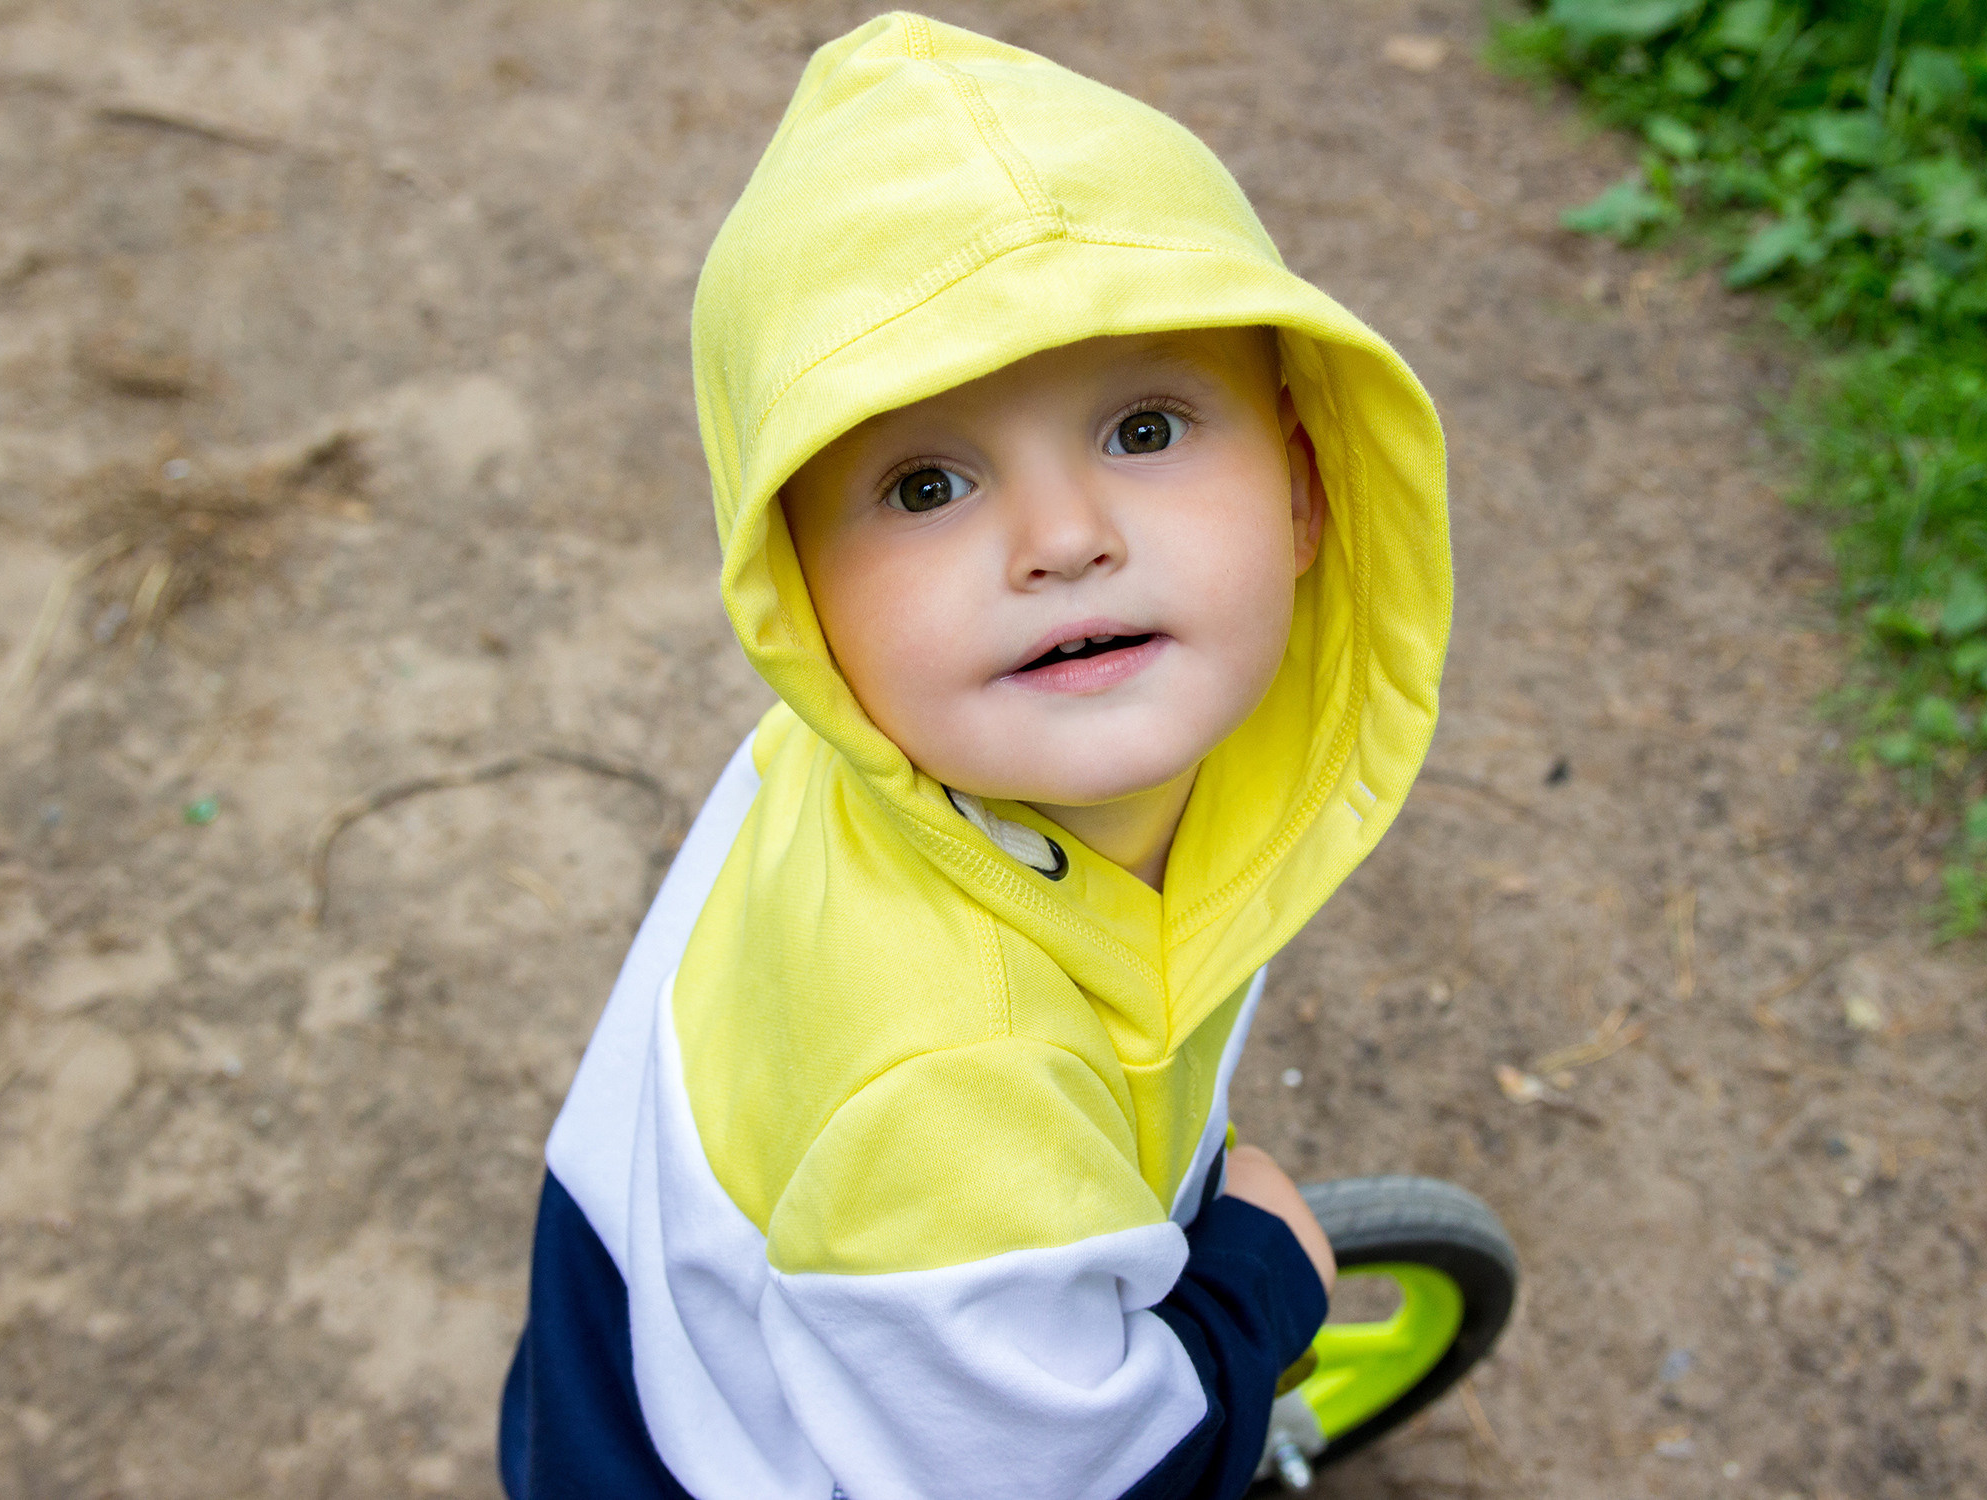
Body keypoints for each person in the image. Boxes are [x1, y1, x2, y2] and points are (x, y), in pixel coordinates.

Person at [497, 12, 1451, 1499]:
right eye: (925, 485)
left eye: (1145, 427)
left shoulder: (856, 752)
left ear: (1304, 486)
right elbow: (1059, 1475)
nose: (1064, 538)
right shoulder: (952, 1084)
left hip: (638, 1343)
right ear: (798, 597)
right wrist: (1258, 1281)